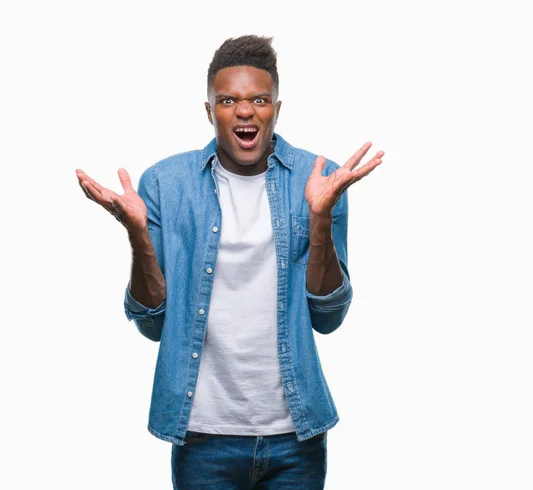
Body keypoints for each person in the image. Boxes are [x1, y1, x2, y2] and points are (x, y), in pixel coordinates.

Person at [76, 34, 383, 490]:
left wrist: (320, 221)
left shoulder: (318, 180)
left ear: (277, 109)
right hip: (203, 437)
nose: (245, 110)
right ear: (209, 111)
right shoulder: (165, 183)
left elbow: (328, 317)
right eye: (228, 100)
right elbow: (151, 322)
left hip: (295, 437)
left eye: (260, 99)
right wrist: (138, 235)